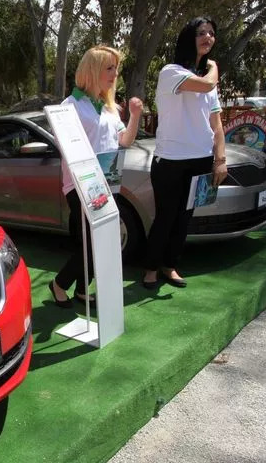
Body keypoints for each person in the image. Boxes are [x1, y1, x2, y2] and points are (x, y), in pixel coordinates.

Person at [49, 45, 142, 307]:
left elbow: (125, 140)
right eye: (109, 68)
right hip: (80, 184)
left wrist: (134, 115)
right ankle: (59, 284)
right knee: (91, 243)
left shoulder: (110, 107)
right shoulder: (70, 106)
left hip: (107, 183)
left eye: (116, 68)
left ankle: (81, 289)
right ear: (93, 70)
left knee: (102, 240)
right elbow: (65, 145)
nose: (115, 74)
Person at [142, 17, 227, 289]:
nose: (208, 37)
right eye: (201, 33)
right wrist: (214, 68)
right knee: (165, 217)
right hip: (170, 161)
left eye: (212, 34)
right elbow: (205, 84)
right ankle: (151, 269)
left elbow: (217, 125)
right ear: (188, 38)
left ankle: (170, 266)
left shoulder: (208, 83)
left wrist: (220, 160)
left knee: (184, 218)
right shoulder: (171, 72)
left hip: (200, 159)